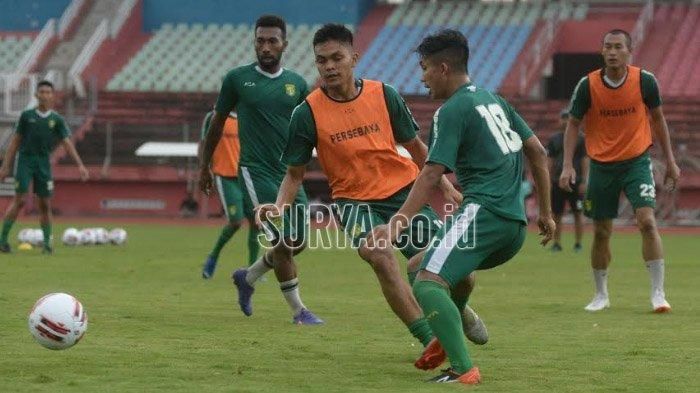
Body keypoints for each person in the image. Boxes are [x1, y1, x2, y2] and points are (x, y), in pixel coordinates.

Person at [257, 24, 488, 365]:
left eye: (337, 58)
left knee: (452, 270)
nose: (329, 67)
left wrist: (446, 185)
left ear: (354, 57)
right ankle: (429, 339)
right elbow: (295, 174)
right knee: (378, 255)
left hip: (403, 194)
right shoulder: (306, 113)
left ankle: (460, 308)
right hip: (353, 203)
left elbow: (415, 146)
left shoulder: (384, 94)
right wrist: (278, 207)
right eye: (321, 61)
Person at [372, 29, 555, 384]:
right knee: (417, 264)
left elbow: (430, 175)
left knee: (426, 283)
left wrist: (396, 224)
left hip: (482, 213)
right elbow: (538, 152)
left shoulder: (451, 110)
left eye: (424, 68)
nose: (421, 77)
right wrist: (545, 213)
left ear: (443, 68)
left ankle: (461, 369)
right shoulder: (495, 100)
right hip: (514, 225)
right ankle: (449, 330)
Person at [199, 15, 322, 324]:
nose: (266, 47)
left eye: (272, 41)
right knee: (282, 243)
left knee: (297, 242)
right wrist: (204, 166)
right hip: (255, 173)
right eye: (260, 41)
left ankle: (248, 277)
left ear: (285, 45)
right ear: (254, 42)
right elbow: (216, 124)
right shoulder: (237, 79)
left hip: (290, 176)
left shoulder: (297, 84)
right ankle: (299, 311)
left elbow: (311, 128)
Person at [559, 29, 680, 313]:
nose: (612, 52)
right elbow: (573, 123)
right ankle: (601, 295)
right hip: (601, 166)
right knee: (601, 232)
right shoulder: (587, 85)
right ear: (602, 51)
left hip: (637, 162)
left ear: (629, 51)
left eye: (618, 47)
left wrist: (671, 161)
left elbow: (659, 119)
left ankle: (658, 294)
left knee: (647, 222)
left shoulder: (645, 81)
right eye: (608, 47)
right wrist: (567, 165)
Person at [0, 80, 89, 254]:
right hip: (25, 161)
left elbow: (67, 143)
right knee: (19, 201)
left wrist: (80, 165)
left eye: (48, 92)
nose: (45, 95)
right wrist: (5, 166)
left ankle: (48, 245)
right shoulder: (26, 116)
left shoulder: (56, 120)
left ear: (52, 96)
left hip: (43, 163)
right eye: (42, 92)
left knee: (44, 205)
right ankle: (2, 241)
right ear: (36, 95)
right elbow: (15, 142)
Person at [199, 109, 260, 279]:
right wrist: (204, 169)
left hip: (247, 176)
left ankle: (254, 269)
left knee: (257, 223)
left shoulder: (249, 115)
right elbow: (204, 143)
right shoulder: (213, 116)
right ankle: (213, 257)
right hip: (225, 176)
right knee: (235, 221)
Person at [547, 110, 588, 252]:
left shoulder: (581, 139)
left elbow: (584, 160)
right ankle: (556, 243)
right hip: (557, 182)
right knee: (556, 214)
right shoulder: (554, 139)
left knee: (578, 212)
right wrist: (548, 179)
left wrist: (584, 181)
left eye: (567, 118)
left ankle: (578, 243)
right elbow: (549, 161)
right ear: (559, 121)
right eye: (563, 118)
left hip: (576, 182)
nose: (565, 121)